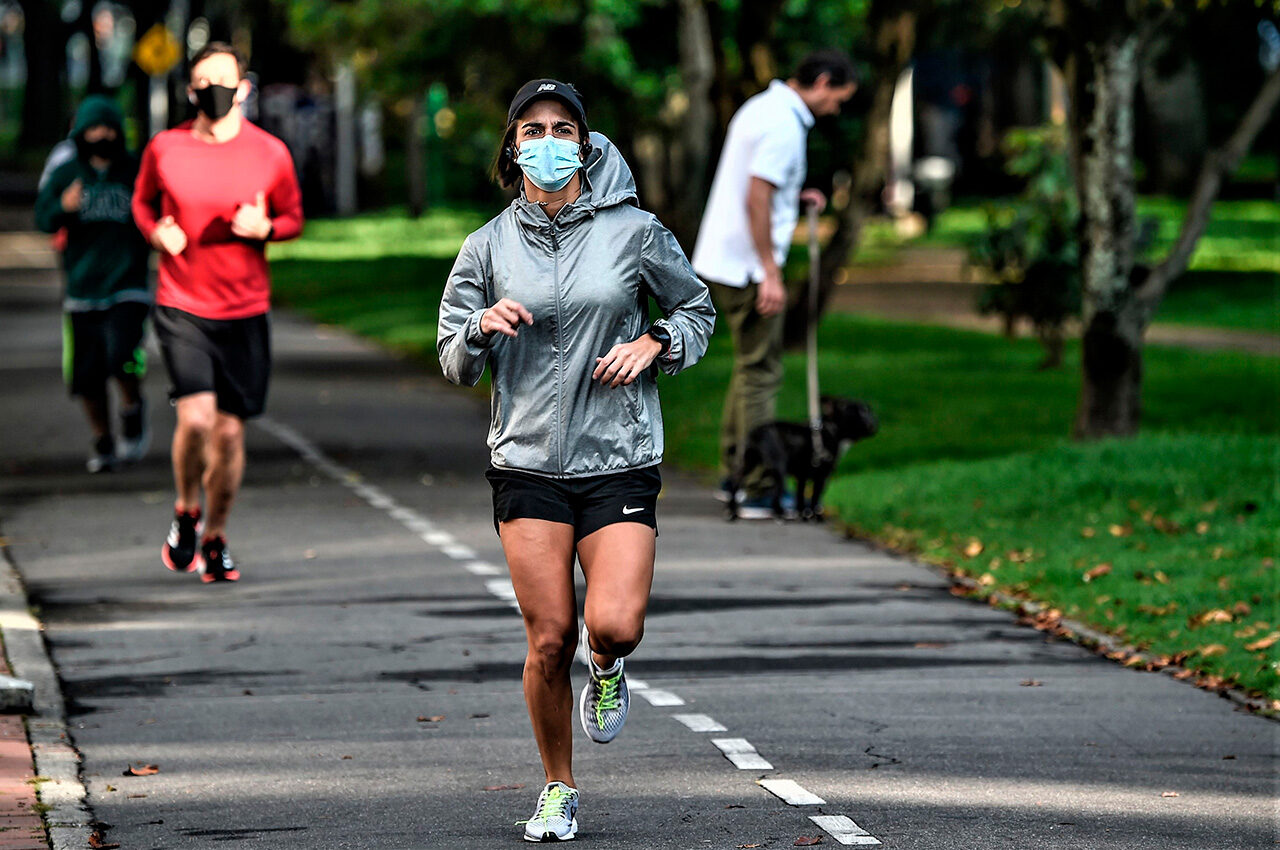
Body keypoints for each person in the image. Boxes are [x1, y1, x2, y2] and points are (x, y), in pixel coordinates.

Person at [438, 79, 715, 842]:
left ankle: (612, 667)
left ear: (586, 146)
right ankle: (558, 785)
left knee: (613, 624)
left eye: (563, 128)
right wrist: (480, 329)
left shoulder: (635, 232)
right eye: (533, 130)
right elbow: (453, 358)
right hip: (526, 459)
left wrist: (655, 343)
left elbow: (696, 308)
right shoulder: (486, 246)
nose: (548, 141)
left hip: (617, 453)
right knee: (549, 635)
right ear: (513, 146)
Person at [132, 42, 303, 583]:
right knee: (196, 418)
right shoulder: (165, 147)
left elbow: (294, 216)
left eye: (225, 81)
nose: (215, 91)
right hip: (183, 304)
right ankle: (186, 509)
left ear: (244, 88)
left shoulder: (270, 153)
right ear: (189, 90)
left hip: (245, 309)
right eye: (204, 82)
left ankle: (215, 535)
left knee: (229, 435)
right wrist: (156, 232)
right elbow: (142, 203)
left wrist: (267, 229)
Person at [691, 51, 857, 518]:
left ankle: (735, 474)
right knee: (763, 373)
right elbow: (756, 197)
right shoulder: (785, 125)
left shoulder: (761, 106)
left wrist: (795, 193)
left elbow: (762, 183)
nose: (836, 109)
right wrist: (770, 270)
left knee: (749, 368)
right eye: (838, 99)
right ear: (822, 82)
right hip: (747, 265)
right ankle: (762, 486)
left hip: (723, 257)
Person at [35, 95, 152, 473]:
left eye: (107, 127)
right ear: (80, 132)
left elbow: (158, 214)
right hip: (82, 290)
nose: (100, 134)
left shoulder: (135, 170)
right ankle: (103, 441)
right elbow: (43, 218)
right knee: (87, 377)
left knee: (123, 356)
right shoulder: (67, 172)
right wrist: (63, 208)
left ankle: (133, 408)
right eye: (92, 128)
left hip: (127, 286)